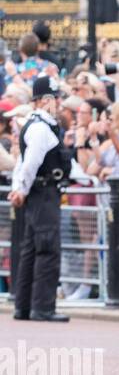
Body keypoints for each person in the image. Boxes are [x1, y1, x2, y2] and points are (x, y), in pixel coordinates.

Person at [8, 77, 70, 322]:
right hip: (43, 194)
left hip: (38, 193)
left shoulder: (38, 125)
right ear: (46, 100)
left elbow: (23, 163)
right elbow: (30, 162)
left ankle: (23, 307)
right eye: (57, 98)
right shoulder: (40, 127)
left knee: (31, 250)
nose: (59, 103)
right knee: (47, 249)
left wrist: (19, 188)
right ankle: (43, 307)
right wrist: (21, 189)